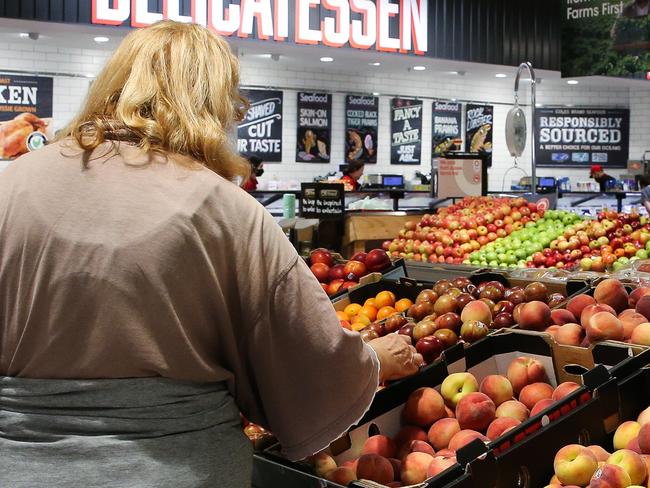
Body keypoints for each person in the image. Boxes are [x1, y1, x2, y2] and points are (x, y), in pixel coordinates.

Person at [0, 21, 422, 488]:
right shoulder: (224, 208)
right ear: (214, 106)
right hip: (178, 471)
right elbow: (304, 363)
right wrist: (373, 360)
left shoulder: (8, 187)